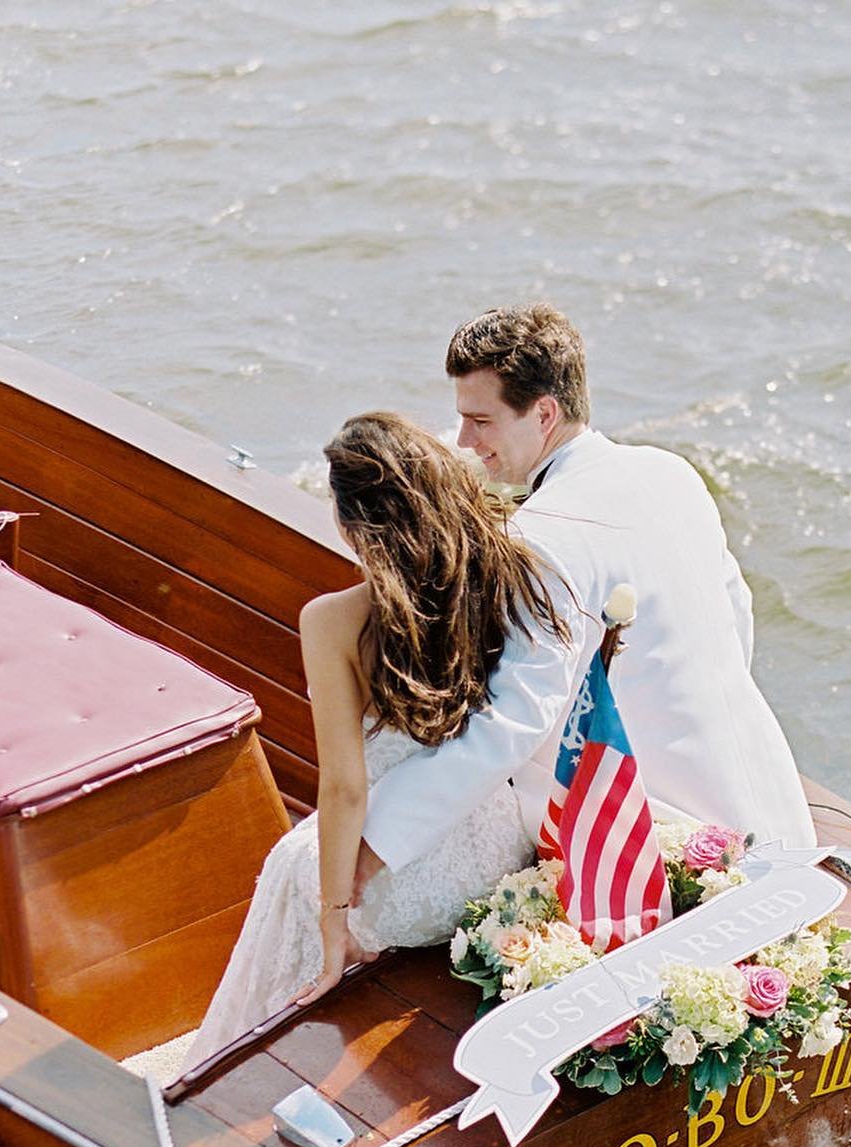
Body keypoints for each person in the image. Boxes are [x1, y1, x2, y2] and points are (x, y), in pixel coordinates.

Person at [356, 303, 815, 895]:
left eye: (481, 421)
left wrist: (371, 848)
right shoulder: (670, 472)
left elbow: (515, 721)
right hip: (770, 800)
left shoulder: (541, 538)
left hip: (667, 845)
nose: (466, 442)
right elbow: (735, 615)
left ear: (544, 412)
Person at [183, 413, 555, 1071]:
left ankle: (235, 1067)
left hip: (404, 892)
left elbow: (345, 788)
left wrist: (334, 923)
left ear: (355, 525)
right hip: (496, 853)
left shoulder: (333, 621)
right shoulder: (503, 572)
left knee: (291, 865)